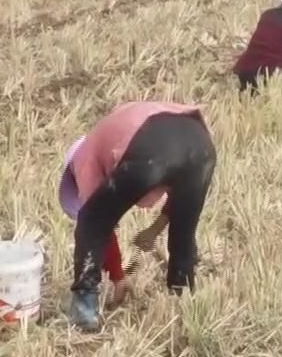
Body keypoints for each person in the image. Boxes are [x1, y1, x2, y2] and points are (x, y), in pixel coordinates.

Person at [58, 101, 216, 332]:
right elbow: (179, 184)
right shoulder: (112, 131)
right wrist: (155, 229)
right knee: (184, 233)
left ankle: (85, 309)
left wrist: (118, 276)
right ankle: (183, 300)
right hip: (200, 143)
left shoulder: (83, 159)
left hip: (151, 145)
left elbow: (98, 224)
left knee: (91, 220)